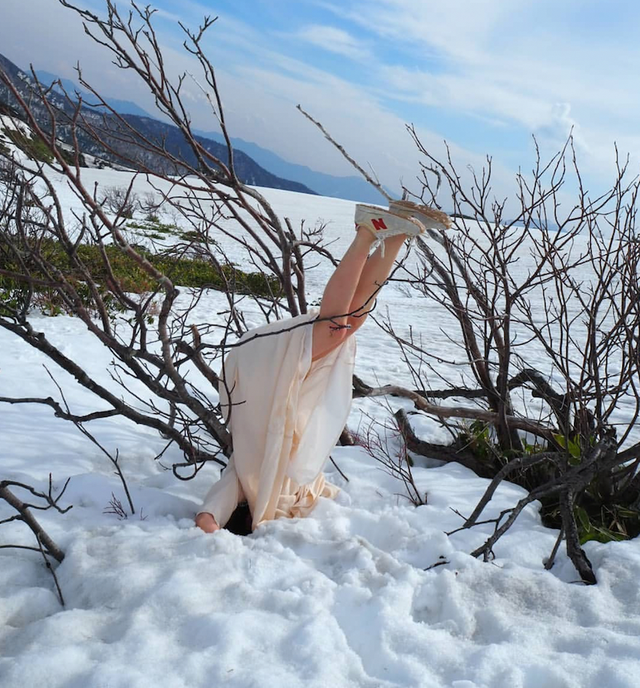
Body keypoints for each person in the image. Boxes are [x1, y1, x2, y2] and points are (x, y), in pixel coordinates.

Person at [195, 200, 451, 534]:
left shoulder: (242, 482)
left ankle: (365, 231)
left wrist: (221, 547)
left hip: (259, 376)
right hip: (288, 396)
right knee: (349, 323)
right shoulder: (294, 488)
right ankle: (396, 235)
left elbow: (206, 519)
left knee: (333, 326)